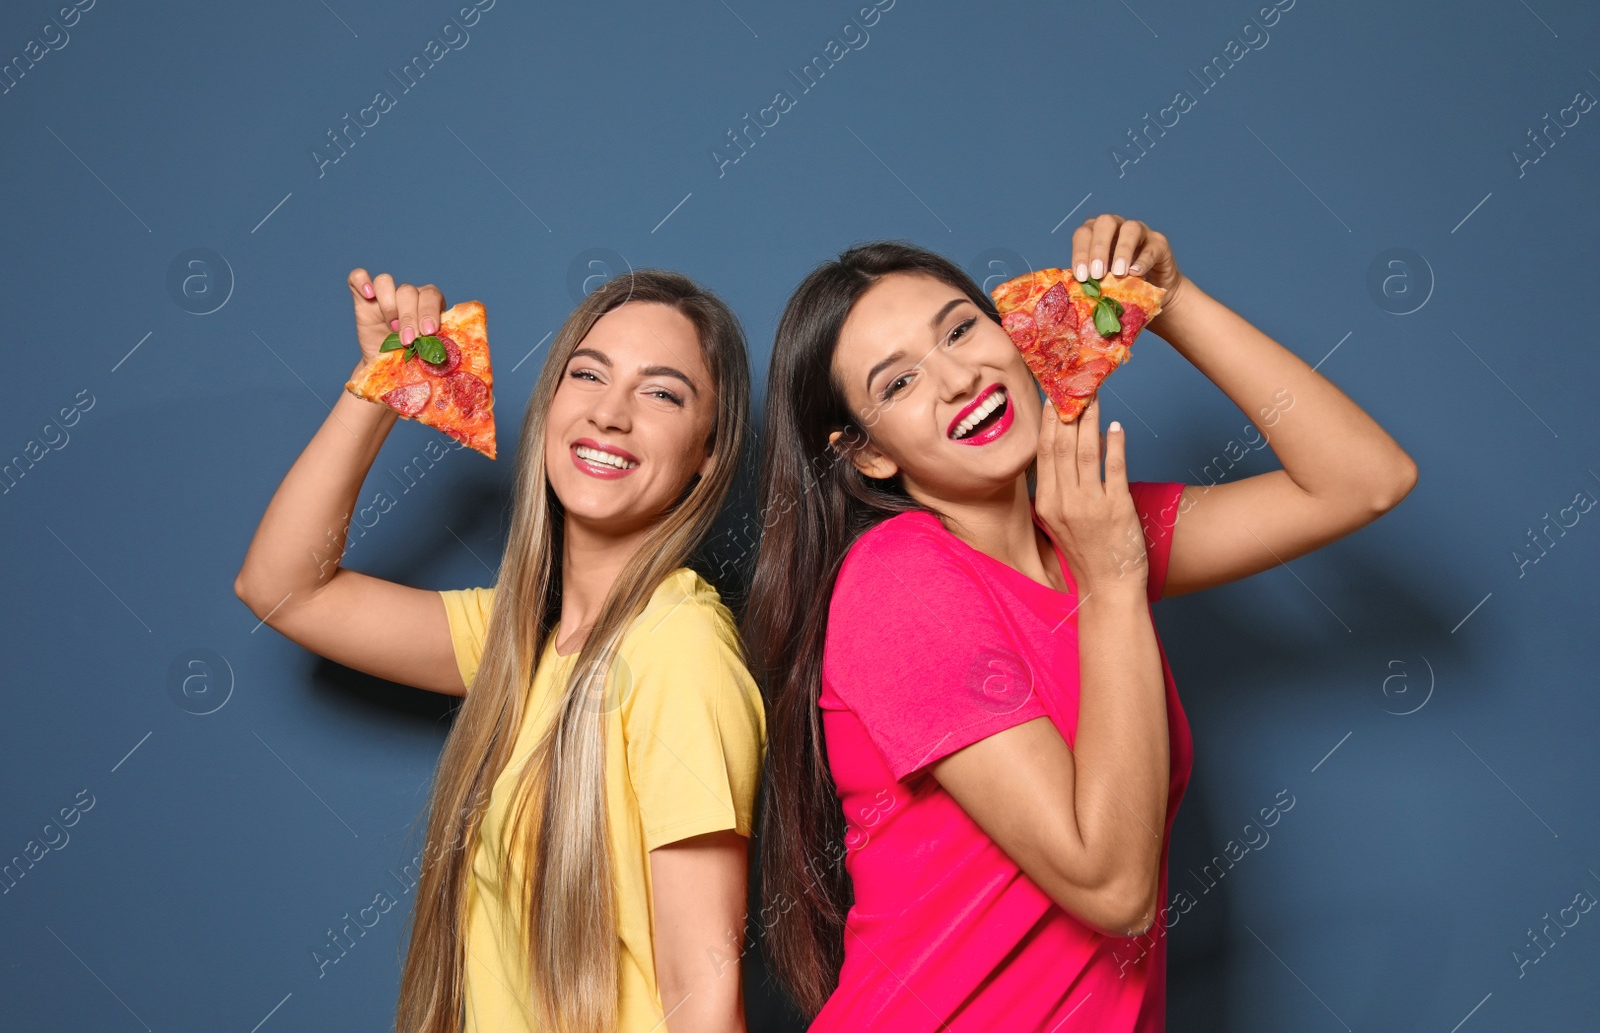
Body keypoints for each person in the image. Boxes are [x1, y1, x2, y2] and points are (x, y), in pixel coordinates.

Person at [744, 215, 1417, 1031]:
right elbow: (1111, 888)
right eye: (899, 384)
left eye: (960, 329)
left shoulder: (1086, 534)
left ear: (1015, 330)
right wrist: (1114, 578)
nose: (957, 378)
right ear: (868, 455)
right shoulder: (900, 582)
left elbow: (1363, 479)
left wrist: (1172, 302)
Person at [233, 268, 767, 1033]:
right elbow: (281, 587)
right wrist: (385, 381)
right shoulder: (516, 641)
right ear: (551, 404)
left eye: (662, 393)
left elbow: (701, 993)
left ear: (707, 456)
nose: (610, 413)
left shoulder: (678, 648)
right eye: (587, 375)